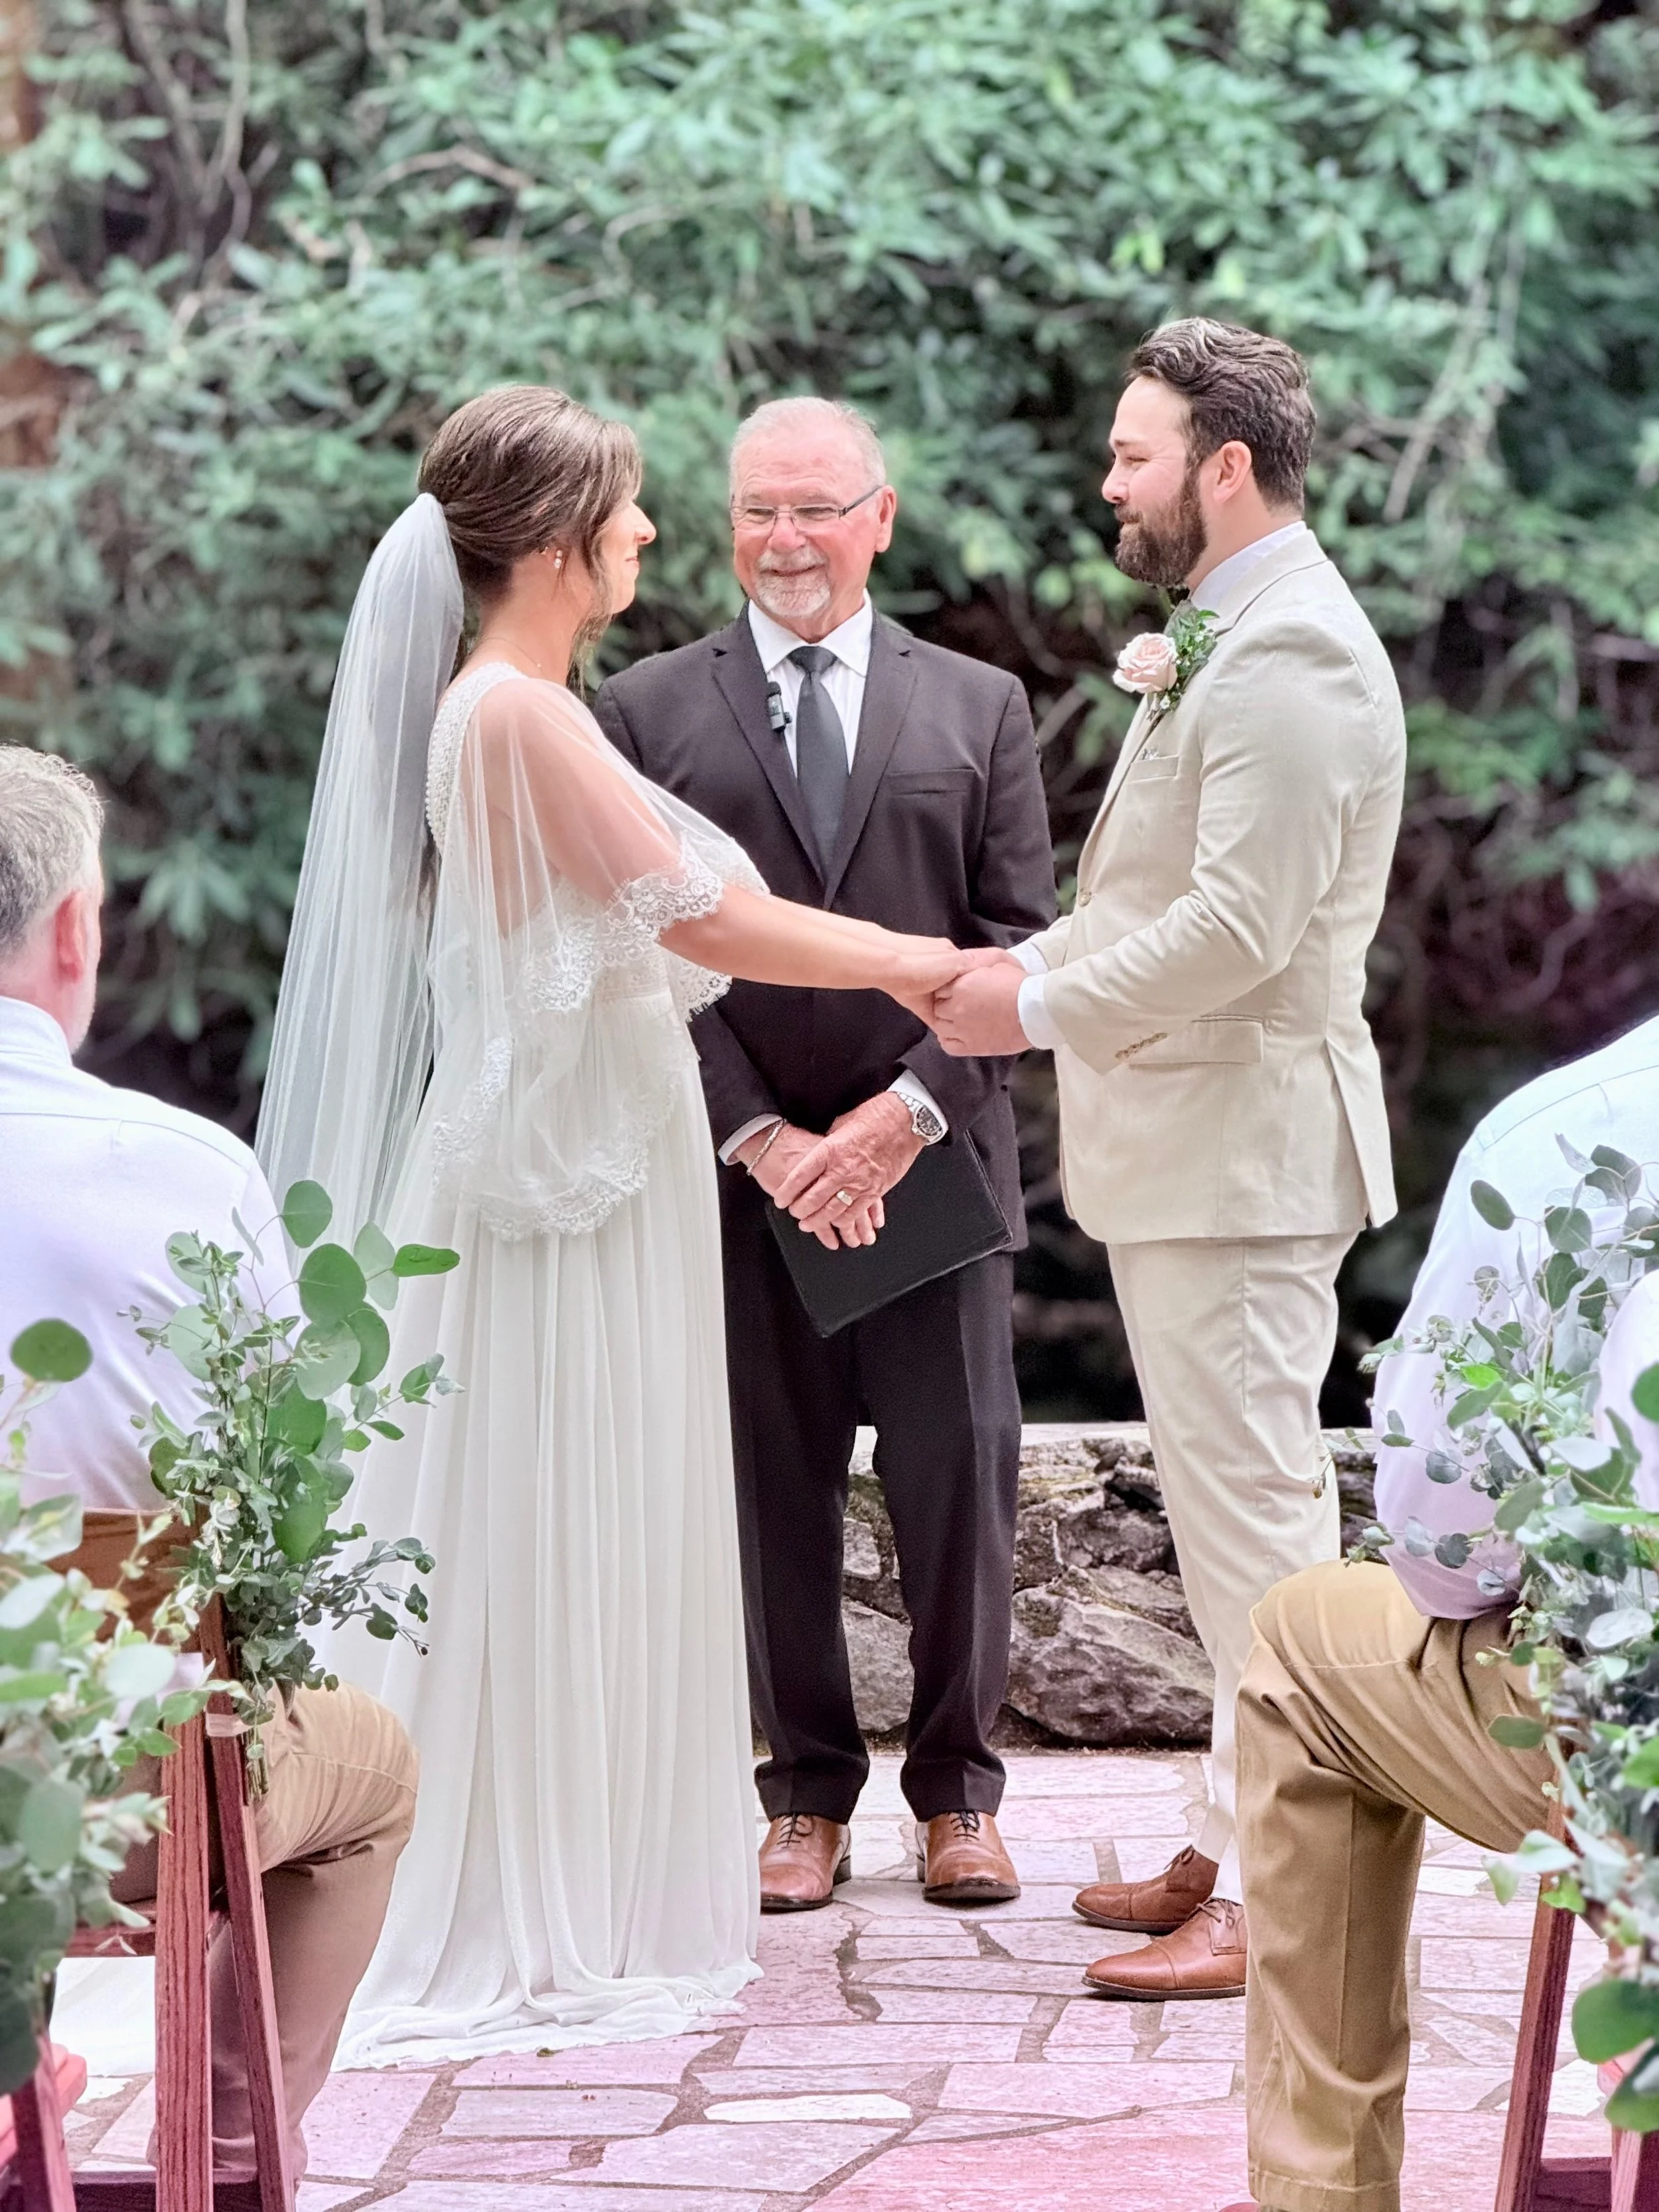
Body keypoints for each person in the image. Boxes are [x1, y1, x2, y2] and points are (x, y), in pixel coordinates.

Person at [255, 386, 971, 2062]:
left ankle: (558, 1851)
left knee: (565, 1499)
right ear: (562, 541)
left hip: (593, 1169)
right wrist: (914, 962)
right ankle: (512, 1885)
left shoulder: (526, 706)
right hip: (558, 1198)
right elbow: (707, 911)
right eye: (631, 511)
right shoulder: (515, 716)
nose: (651, 535)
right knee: (539, 1502)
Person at [932, 318, 1406, 1996]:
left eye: (1132, 453)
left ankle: (1285, 1901)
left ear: (1220, 465)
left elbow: (1234, 930)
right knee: (1229, 1530)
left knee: (1260, 1536)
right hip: (1201, 1153)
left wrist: (1031, 1001)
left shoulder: (1291, 658)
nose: (1106, 482)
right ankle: (1230, 1823)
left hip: (1241, 1157)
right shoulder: (1227, 631)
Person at [591, 396, 1055, 1913]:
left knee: (959, 1484)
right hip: (742, 1177)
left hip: (930, 1155)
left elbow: (1016, 948)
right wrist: (767, 1139)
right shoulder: (645, 711)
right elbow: (629, 956)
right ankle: (799, 1795)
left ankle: (957, 1796)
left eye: (812, 508)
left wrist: (894, 1118)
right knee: (767, 1490)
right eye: (755, 511)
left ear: (881, 515)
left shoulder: (979, 705)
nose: (782, 540)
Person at [0, 745, 419, 2181]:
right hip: (111, 1793)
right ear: (74, 931)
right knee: (365, 1766)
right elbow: (268, 1503)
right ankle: (236, 2143)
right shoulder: (184, 1172)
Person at [1226, 1013, 1659, 2212]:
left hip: (1633, 1748)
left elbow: (1446, 1545)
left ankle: (1327, 2194)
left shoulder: (1570, 1136)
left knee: (1303, 1652)